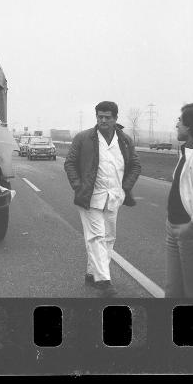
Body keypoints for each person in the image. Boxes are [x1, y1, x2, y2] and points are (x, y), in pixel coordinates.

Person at [64, 101, 142, 297]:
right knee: (96, 236)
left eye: (107, 117)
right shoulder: (84, 138)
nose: (103, 120)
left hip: (114, 197)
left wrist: (125, 188)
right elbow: (70, 163)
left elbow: (135, 166)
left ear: (115, 118)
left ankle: (92, 274)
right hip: (89, 196)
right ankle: (103, 281)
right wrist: (78, 185)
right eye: (100, 117)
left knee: (109, 237)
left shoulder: (124, 140)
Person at [165, 103, 193, 298]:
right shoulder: (186, 150)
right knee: (172, 291)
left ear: (190, 127)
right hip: (172, 226)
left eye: (180, 121)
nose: (177, 125)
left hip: (189, 231)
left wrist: (192, 225)